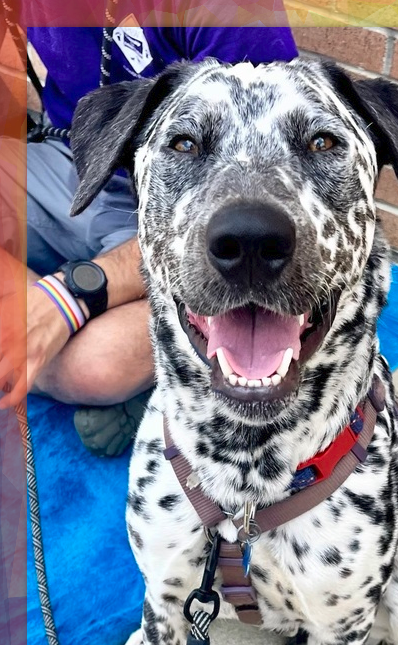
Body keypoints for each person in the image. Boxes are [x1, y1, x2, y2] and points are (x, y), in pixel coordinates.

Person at [0, 19, 298, 453]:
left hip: (192, 195)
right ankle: (41, 336)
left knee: (100, 364)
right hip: (73, 161)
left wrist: (69, 297)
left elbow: (260, 198)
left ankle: (74, 346)